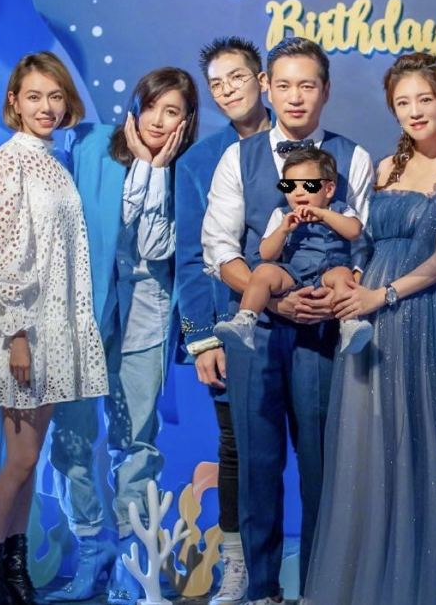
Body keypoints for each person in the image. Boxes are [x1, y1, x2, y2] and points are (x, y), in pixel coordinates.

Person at [303, 52, 436, 605]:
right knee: (369, 444)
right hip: (366, 316)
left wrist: (380, 296)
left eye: (424, 99)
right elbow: (364, 243)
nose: (414, 111)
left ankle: (421, 584)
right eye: (403, 102)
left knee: (419, 442)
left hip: (419, 316)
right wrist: (352, 280)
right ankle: (373, 583)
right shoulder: (385, 166)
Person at [201, 37, 373, 605]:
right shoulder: (238, 158)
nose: (296, 96)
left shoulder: (354, 158)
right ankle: (262, 589)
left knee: (324, 464)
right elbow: (218, 249)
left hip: (323, 331)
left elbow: (364, 243)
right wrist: (273, 301)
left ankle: (324, 587)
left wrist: (339, 295)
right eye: (284, 85)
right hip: (260, 328)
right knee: (256, 460)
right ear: (267, 89)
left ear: (326, 90)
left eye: (308, 85)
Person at [47, 67, 198, 605]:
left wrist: (154, 170)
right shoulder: (91, 146)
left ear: (187, 122)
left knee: (136, 442)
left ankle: (132, 561)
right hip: (86, 313)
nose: (158, 120)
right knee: (71, 434)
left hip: (147, 317)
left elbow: (158, 250)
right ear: (135, 106)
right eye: (151, 106)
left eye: (172, 111)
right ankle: (91, 547)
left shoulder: (187, 172)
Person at [0, 51, 109, 605]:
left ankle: (14, 567)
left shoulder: (55, 161)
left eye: (54, 96)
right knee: (21, 459)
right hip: (22, 333)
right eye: (34, 96)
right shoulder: (6, 161)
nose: (46, 107)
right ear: (14, 101)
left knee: (28, 464)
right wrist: (18, 336)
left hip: (54, 329)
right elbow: (6, 254)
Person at [175, 36, 273, 605]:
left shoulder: (303, 145)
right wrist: (201, 338)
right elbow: (191, 257)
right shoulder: (198, 161)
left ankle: (317, 568)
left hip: (300, 322)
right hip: (228, 325)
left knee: (312, 444)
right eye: (217, 84)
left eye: (237, 77)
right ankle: (236, 566)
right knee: (235, 445)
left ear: (262, 80)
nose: (228, 90)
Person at [214, 147, 372, 356]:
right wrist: (282, 231)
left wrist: (323, 214)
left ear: (329, 189)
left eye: (308, 185)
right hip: (294, 274)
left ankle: (349, 323)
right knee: (263, 272)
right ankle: (245, 321)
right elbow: (267, 254)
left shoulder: (339, 210)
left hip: (329, 273)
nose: (298, 192)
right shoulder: (282, 215)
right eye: (289, 186)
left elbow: (354, 231)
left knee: (343, 275)